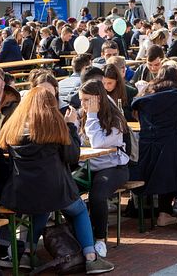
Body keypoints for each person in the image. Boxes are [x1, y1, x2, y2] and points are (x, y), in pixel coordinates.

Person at [0, 87, 115, 273]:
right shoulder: (55, 128)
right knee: (79, 211)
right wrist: (71, 126)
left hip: (21, 192)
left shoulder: (12, 129)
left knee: (41, 210)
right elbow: (72, 156)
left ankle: (28, 253)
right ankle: (91, 257)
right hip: (56, 190)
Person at [131, 66, 177, 228]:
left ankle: (163, 213)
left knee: (165, 176)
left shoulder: (144, 96)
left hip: (146, 150)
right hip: (172, 145)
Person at [77, 80, 130, 258]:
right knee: (65, 190)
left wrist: (92, 116)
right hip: (89, 166)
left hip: (114, 166)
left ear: (98, 99)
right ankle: (78, 235)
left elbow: (98, 143)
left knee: (97, 195)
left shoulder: (115, 119)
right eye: (81, 100)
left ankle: (100, 240)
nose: (83, 104)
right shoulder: (81, 115)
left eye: (86, 100)